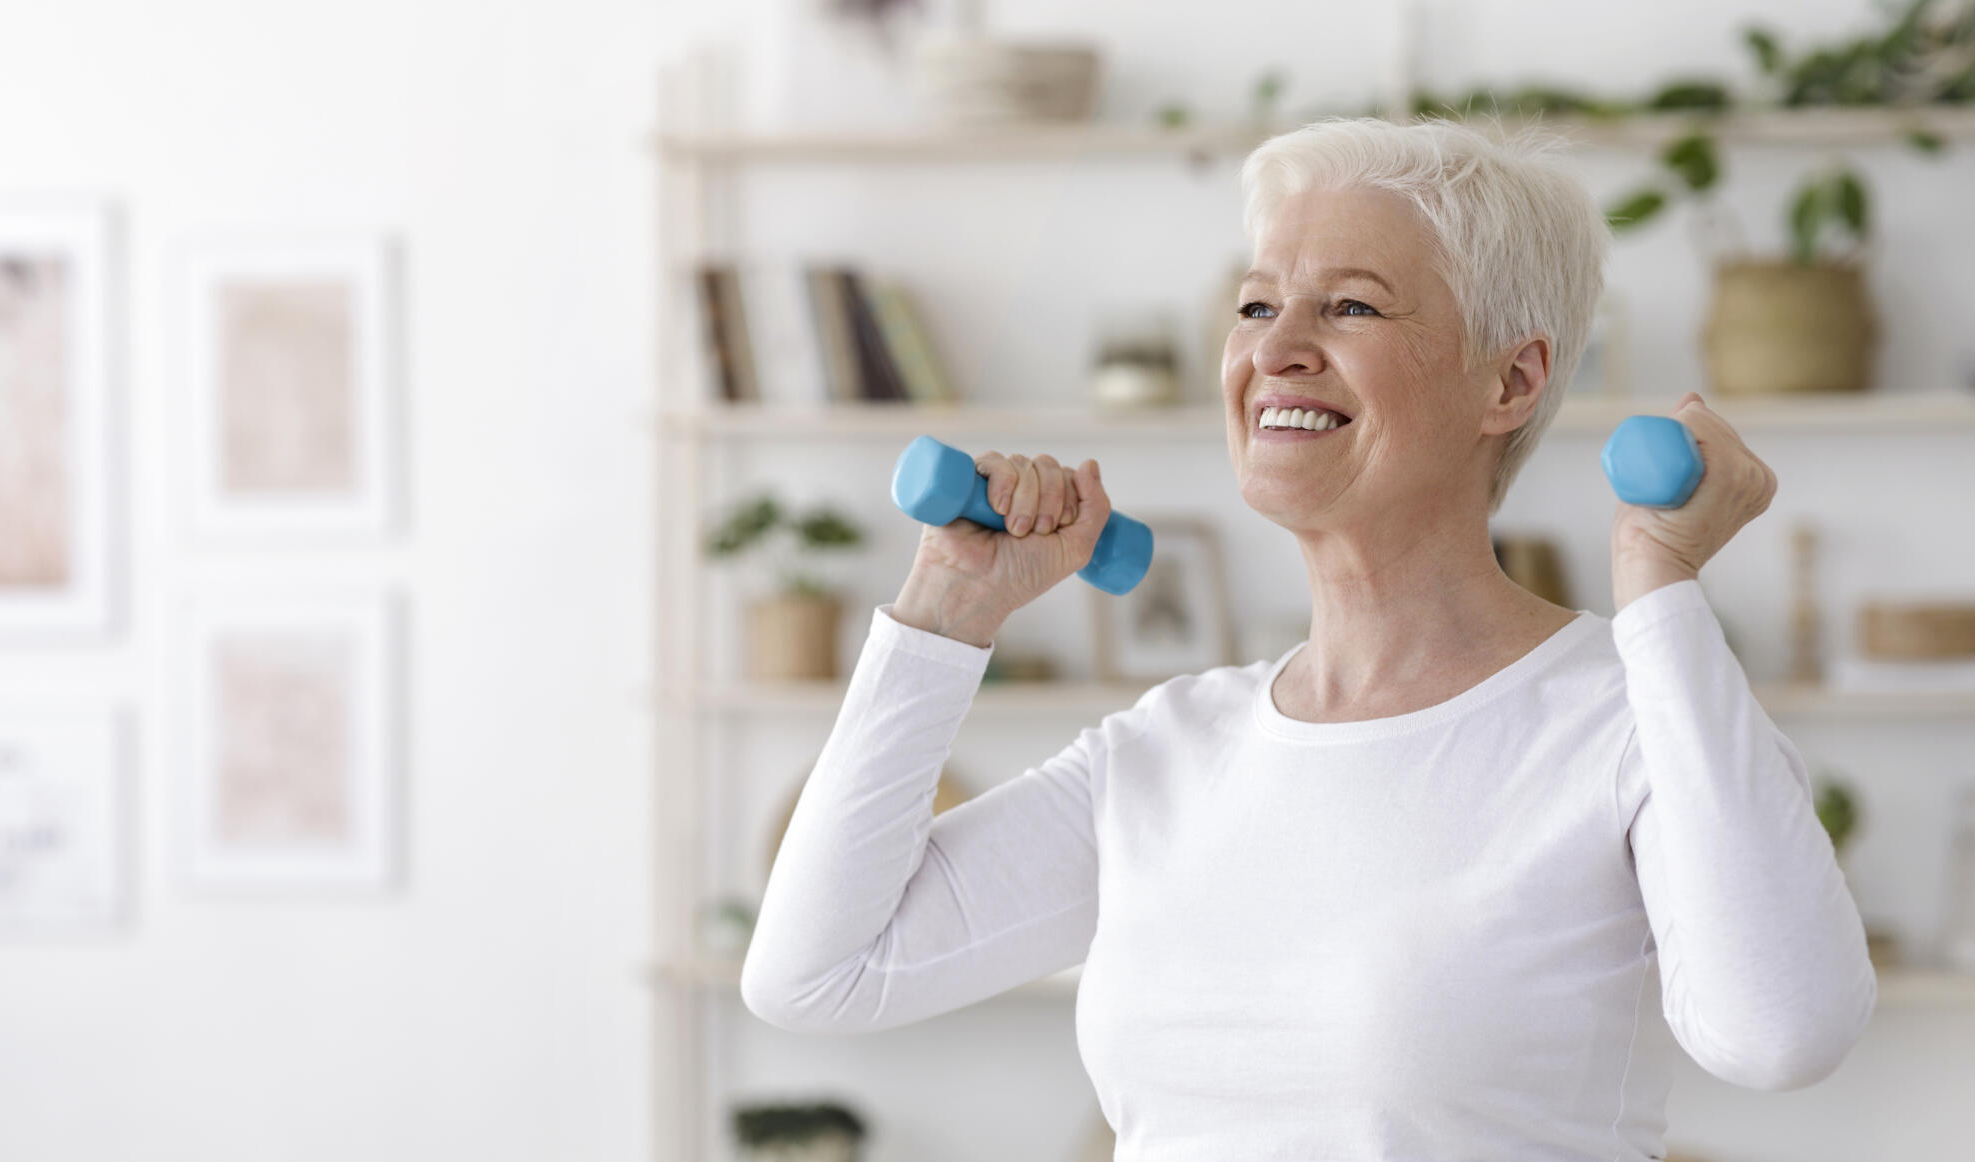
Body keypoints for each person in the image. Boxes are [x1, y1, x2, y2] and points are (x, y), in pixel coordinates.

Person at [738, 117, 1875, 1160]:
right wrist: (945, 612)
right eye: (1254, 307)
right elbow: (816, 974)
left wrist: (1661, 591)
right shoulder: (1166, 749)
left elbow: (1779, 1033)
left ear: (1512, 379)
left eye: (1351, 308)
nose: (1275, 348)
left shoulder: (1622, 722)